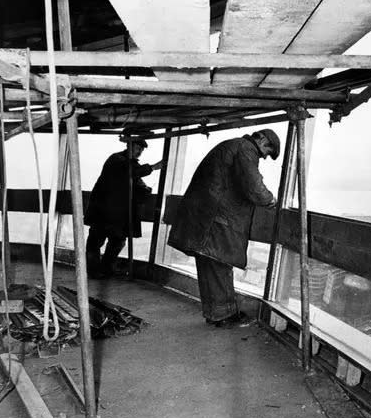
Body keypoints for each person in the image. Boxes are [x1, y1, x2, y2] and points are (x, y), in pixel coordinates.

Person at [168, 129, 280, 327]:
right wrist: (269, 198)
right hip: (215, 221)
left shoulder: (232, 145)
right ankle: (225, 316)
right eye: (267, 150)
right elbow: (254, 187)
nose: (264, 155)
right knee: (219, 264)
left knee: (209, 266)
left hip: (204, 216)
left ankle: (215, 314)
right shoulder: (246, 149)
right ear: (261, 138)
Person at [85, 134, 165, 278]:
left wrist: (145, 189)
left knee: (117, 241)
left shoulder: (129, 163)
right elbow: (130, 173)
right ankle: (94, 270)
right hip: (104, 211)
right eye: (137, 147)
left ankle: (105, 268)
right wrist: (153, 167)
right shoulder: (116, 159)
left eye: (141, 149)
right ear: (128, 145)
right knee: (96, 241)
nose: (139, 151)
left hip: (117, 214)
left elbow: (135, 180)